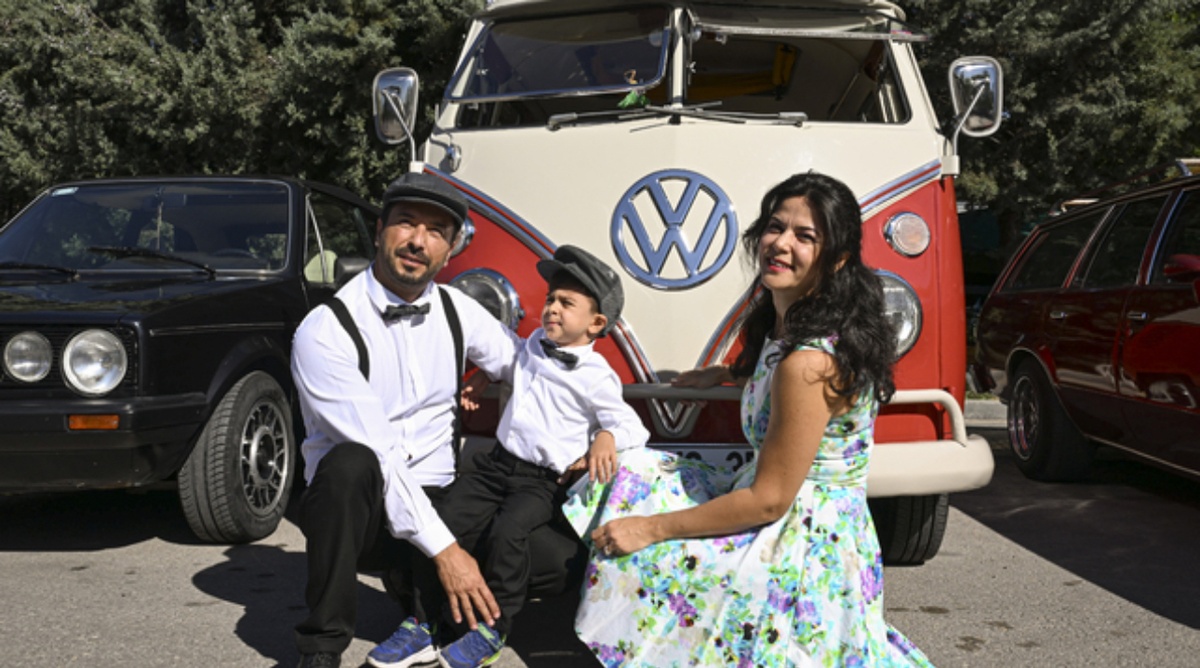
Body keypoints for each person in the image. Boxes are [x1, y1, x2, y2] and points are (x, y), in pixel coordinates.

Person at [562, 172, 935, 667]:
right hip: (797, 513)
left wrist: (651, 529)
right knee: (631, 469)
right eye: (776, 227)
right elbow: (793, 400)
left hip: (801, 538)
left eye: (806, 236)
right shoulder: (795, 328)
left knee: (650, 546)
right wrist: (728, 375)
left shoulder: (808, 363)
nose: (780, 244)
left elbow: (768, 500)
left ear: (837, 258)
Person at [290, 172, 518, 668]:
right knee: (349, 464)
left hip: (441, 497)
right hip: (363, 517)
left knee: (538, 551)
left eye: (436, 231)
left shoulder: (459, 310)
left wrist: (603, 424)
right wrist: (448, 554)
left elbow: (527, 368)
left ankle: (421, 603)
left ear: (452, 248)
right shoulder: (326, 329)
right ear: (379, 231)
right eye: (407, 223)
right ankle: (322, 647)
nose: (418, 241)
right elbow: (381, 455)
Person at [429, 245, 650, 668]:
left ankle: (493, 630)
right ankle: (430, 620)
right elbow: (514, 366)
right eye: (551, 298)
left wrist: (605, 436)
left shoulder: (597, 375)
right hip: (497, 464)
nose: (552, 308)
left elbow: (632, 427)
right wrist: (479, 379)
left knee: (508, 534)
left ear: (596, 324)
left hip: (541, 481)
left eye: (567, 303)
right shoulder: (533, 343)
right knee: (445, 520)